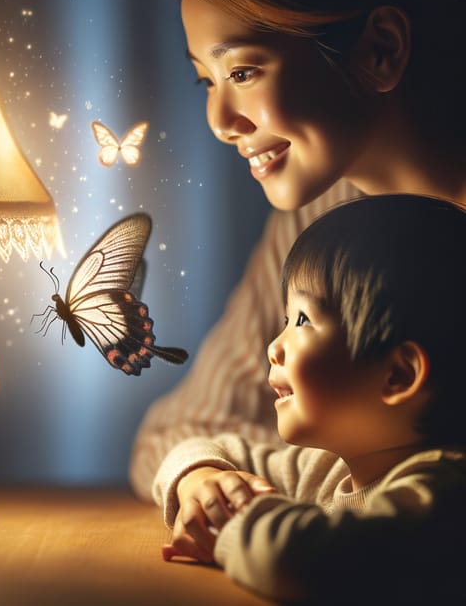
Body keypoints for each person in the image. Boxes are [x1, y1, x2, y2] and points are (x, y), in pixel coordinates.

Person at [129, 0, 466, 500]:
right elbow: (185, 426)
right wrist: (206, 480)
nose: (220, 122)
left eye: (244, 71)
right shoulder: (320, 217)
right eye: (206, 81)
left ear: (380, 48)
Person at [154, 194, 466, 604]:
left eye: (302, 320)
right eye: (286, 320)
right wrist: (204, 480)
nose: (273, 346)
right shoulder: (327, 469)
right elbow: (202, 447)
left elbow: (303, 559)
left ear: (397, 375)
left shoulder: (444, 493)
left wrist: (226, 524)